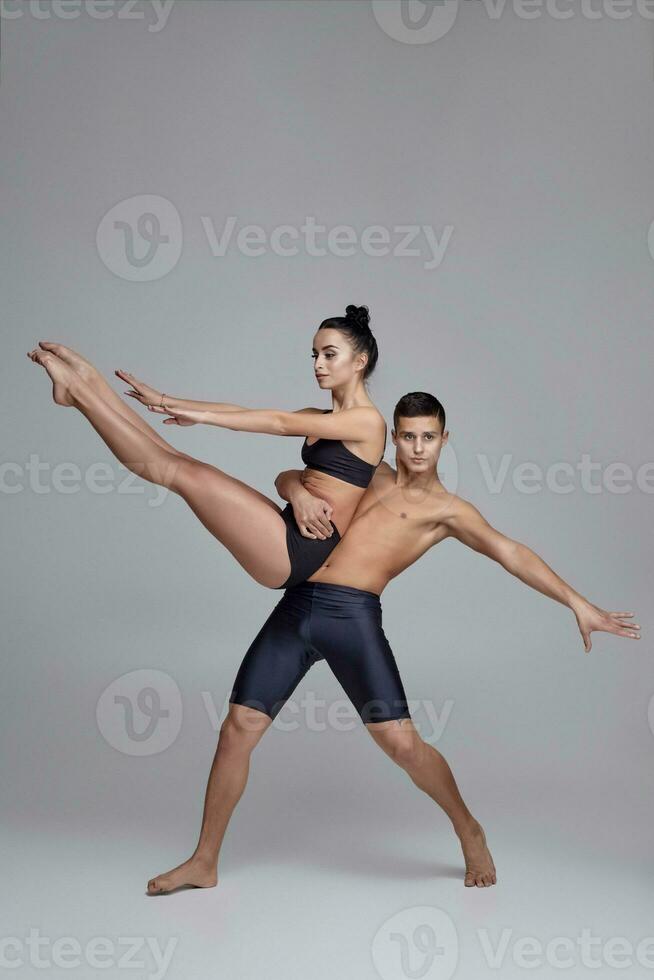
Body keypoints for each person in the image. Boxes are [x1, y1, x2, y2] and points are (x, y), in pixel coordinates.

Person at [144, 392, 640, 895]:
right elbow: (290, 476)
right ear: (395, 436)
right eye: (407, 436)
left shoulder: (448, 511)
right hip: (296, 608)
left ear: (445, 440)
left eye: (428, 438)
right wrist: (296, 490)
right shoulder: (371, 472)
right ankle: (204, 860)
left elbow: (511, 552)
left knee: (402, 745)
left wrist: (576, 602)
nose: (418, 448)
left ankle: (468, 827)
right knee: (238, 727)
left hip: (352, 620)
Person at [26, 304, 386, 589]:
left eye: (329, 354)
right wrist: (169, 401)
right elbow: (246, 413)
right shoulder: (322, 416)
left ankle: (80, 394)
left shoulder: (367, 422)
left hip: (296, 553)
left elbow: (278, 422)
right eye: (314, 355)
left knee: (181, 472)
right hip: (285, 528)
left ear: (359, 362)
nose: (318, 364)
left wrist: (190, 412)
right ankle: (89, 386)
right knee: (175, 458)